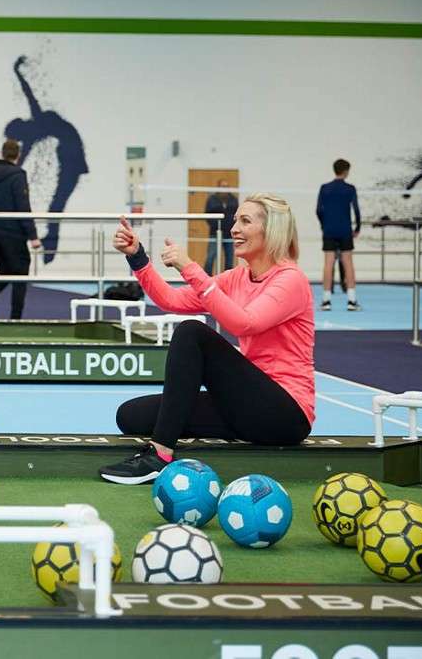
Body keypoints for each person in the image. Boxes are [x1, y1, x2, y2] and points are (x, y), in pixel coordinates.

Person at [98, 195, 315, 484]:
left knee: (192, 332)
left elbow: (245, 323)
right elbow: (171, 300)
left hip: (285, 413)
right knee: (132, 416)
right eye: (236, 220)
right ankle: (164, 445)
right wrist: (138, 257)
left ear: (271, 230)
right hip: (245, 405)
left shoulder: (291, 280)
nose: (234, 228)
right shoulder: (237, 277)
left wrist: (190, 268)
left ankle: (160, 455)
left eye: (245, 221)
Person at [5, 56, 88, 263]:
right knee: (56, 205)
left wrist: (18, 72)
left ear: (21, 127)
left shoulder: (37, 122)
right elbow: (20, 162)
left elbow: (28, 93)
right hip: (70, 154)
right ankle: (50, 248)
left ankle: (50, 249)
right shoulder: (34, 132)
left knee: (56, 205)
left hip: (71, 155)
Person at [0, 138, 41, 319]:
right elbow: (23, 206)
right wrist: (32, 235)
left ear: (2, 154)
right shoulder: (18, 175)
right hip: (13, 233)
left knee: (7, 273)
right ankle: (15, 318)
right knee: (20, 275)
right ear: (18, 155)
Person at [316, 159, 362, 311]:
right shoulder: (350, 189)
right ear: (346, 171)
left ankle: (326, 301)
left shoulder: (324, 188)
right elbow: (356, 210)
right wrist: (357, 228)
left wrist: (324, 226)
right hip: (345, 230)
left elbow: (318, 210)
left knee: (328, 263)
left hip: (329, 230)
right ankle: (352, 300)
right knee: (348, 263)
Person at [203, 179, 238, 275]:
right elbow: (207, 215)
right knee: (210, 256)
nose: (225, 189)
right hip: (215, 233)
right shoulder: (212, 199)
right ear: (218, 188)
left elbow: (236, 215)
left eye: (226, 187)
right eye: (223, 187)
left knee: (229, 258)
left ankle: (228, 279)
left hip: (229, 234)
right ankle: (206, 277)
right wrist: (216, 225)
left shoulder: (233, 199)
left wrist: (231, 226)